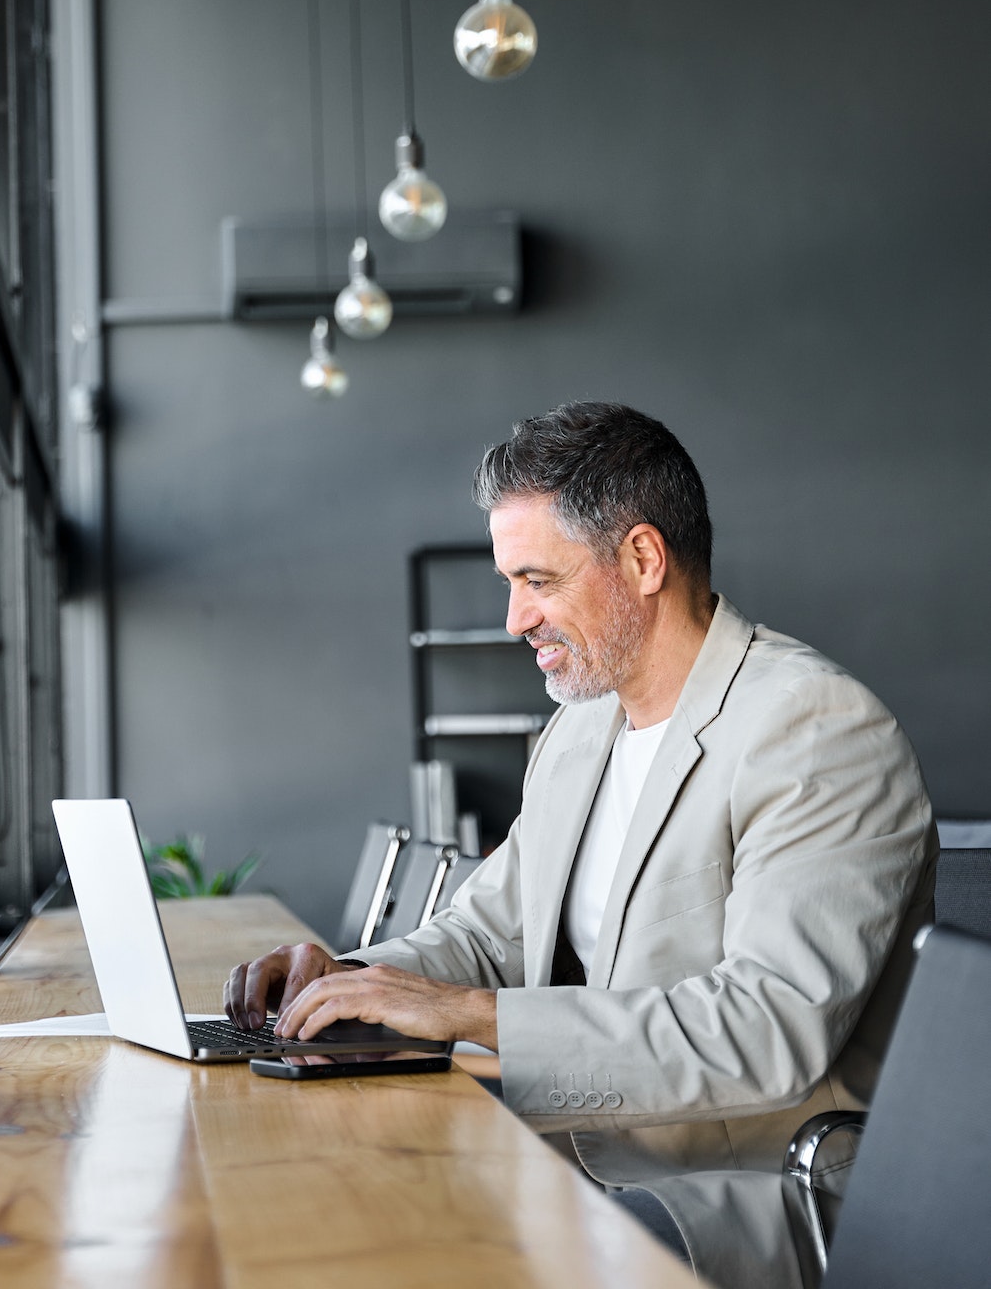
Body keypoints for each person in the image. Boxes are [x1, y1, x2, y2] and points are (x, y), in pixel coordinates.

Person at [226, 402, 936, 1288]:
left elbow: (766, 1028)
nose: (515, 618)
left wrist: (475, 1019)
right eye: (508, 582)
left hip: (744, 1189)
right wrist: (346, 985)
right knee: (335, 1204)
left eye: (538, 580)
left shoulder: (815, 728)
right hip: (572, 1144)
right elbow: (487, 934)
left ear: (642, 559)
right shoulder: (578, 732)